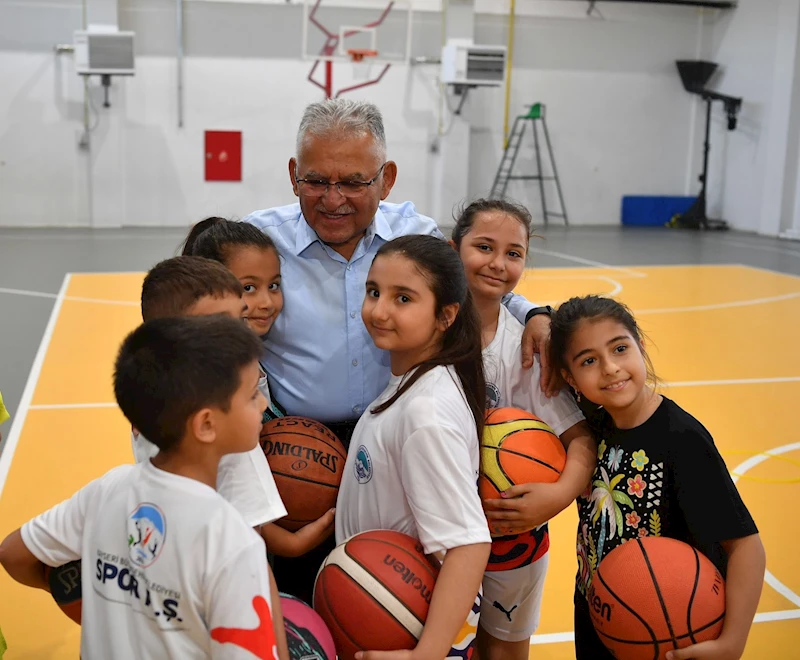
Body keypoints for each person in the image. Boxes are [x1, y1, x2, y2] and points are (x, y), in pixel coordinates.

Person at [243, 98, 557, 449]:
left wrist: (535, 314)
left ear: (386, 179)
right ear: (293, 176)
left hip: (399, 436)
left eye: (353, 183)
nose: (332, 200)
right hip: (293, 443)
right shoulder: (256, 244)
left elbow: (475, 288)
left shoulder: (415, 237)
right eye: (316, 181)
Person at [0, 316, 289, 659]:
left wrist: (104, 605)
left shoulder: (108, 489)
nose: (262, 405)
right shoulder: (233, 541)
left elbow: (13, 553)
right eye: (252, 394)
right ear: (207, 424)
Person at [548, 295, 766, 660]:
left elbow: (746, 547)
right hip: (597, 610)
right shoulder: (589, 426)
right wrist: (538, 318)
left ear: (640, 345)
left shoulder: (682, 439)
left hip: (667, 629)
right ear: (570, 378)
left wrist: (733, 641)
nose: (610, 368)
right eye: (589, 360)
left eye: (620, 348)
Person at [450, 199, 596, 660]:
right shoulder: (424, 333)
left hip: (514, 532)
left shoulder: (528, 351)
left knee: (504, 650)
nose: (498, 263)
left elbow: (580, 441)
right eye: (484, 247)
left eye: (514, 253)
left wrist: (557, 497)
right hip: (442, 523)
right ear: (454, 249)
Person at [336, 235, 492, 660]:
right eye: (373, 292)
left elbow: (469, 543)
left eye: (402, 298)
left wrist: (428, 654)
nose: (379, 310)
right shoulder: (415, 384)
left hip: (408, 621)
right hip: (388, 606)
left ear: (445, 316)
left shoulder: (425, 413)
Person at [136, 255, 335, 558]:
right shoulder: (232, 428)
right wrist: (292, 549)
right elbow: (248, 547)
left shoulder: (152, 396)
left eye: (238, 320)